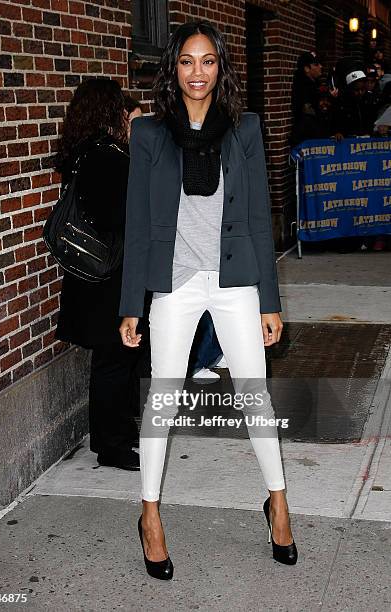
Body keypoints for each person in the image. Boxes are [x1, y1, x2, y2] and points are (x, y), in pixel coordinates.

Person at [119, 21, 298, 579]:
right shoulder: (150, 134)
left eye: (208, 61)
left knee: (255, 398)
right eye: (187, 61)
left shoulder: (245, 129)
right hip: (174, 283)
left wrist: (270, 301)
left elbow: (256, 221)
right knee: (164, 400)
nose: (198, 72)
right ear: (172, 68)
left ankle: (279, 504)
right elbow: (139, 222)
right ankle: (149, 515)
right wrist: (132, 303)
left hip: (235, 281)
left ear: (222, 68)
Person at [54, 79, 150, 471]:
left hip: (93, 275)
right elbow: (122, 218)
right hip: (110, 276)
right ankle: (112, 445)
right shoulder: (107, 157)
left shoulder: (82, 153)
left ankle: (116, 436)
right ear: (108, 112)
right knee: (115, 360)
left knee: (115, 359)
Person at [291, 51, 323, 123]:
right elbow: (308, 111)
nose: (320, 66)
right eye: (316, 64)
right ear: (306, 68)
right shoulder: (301, 87)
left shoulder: (316, 83)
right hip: (308, 130)